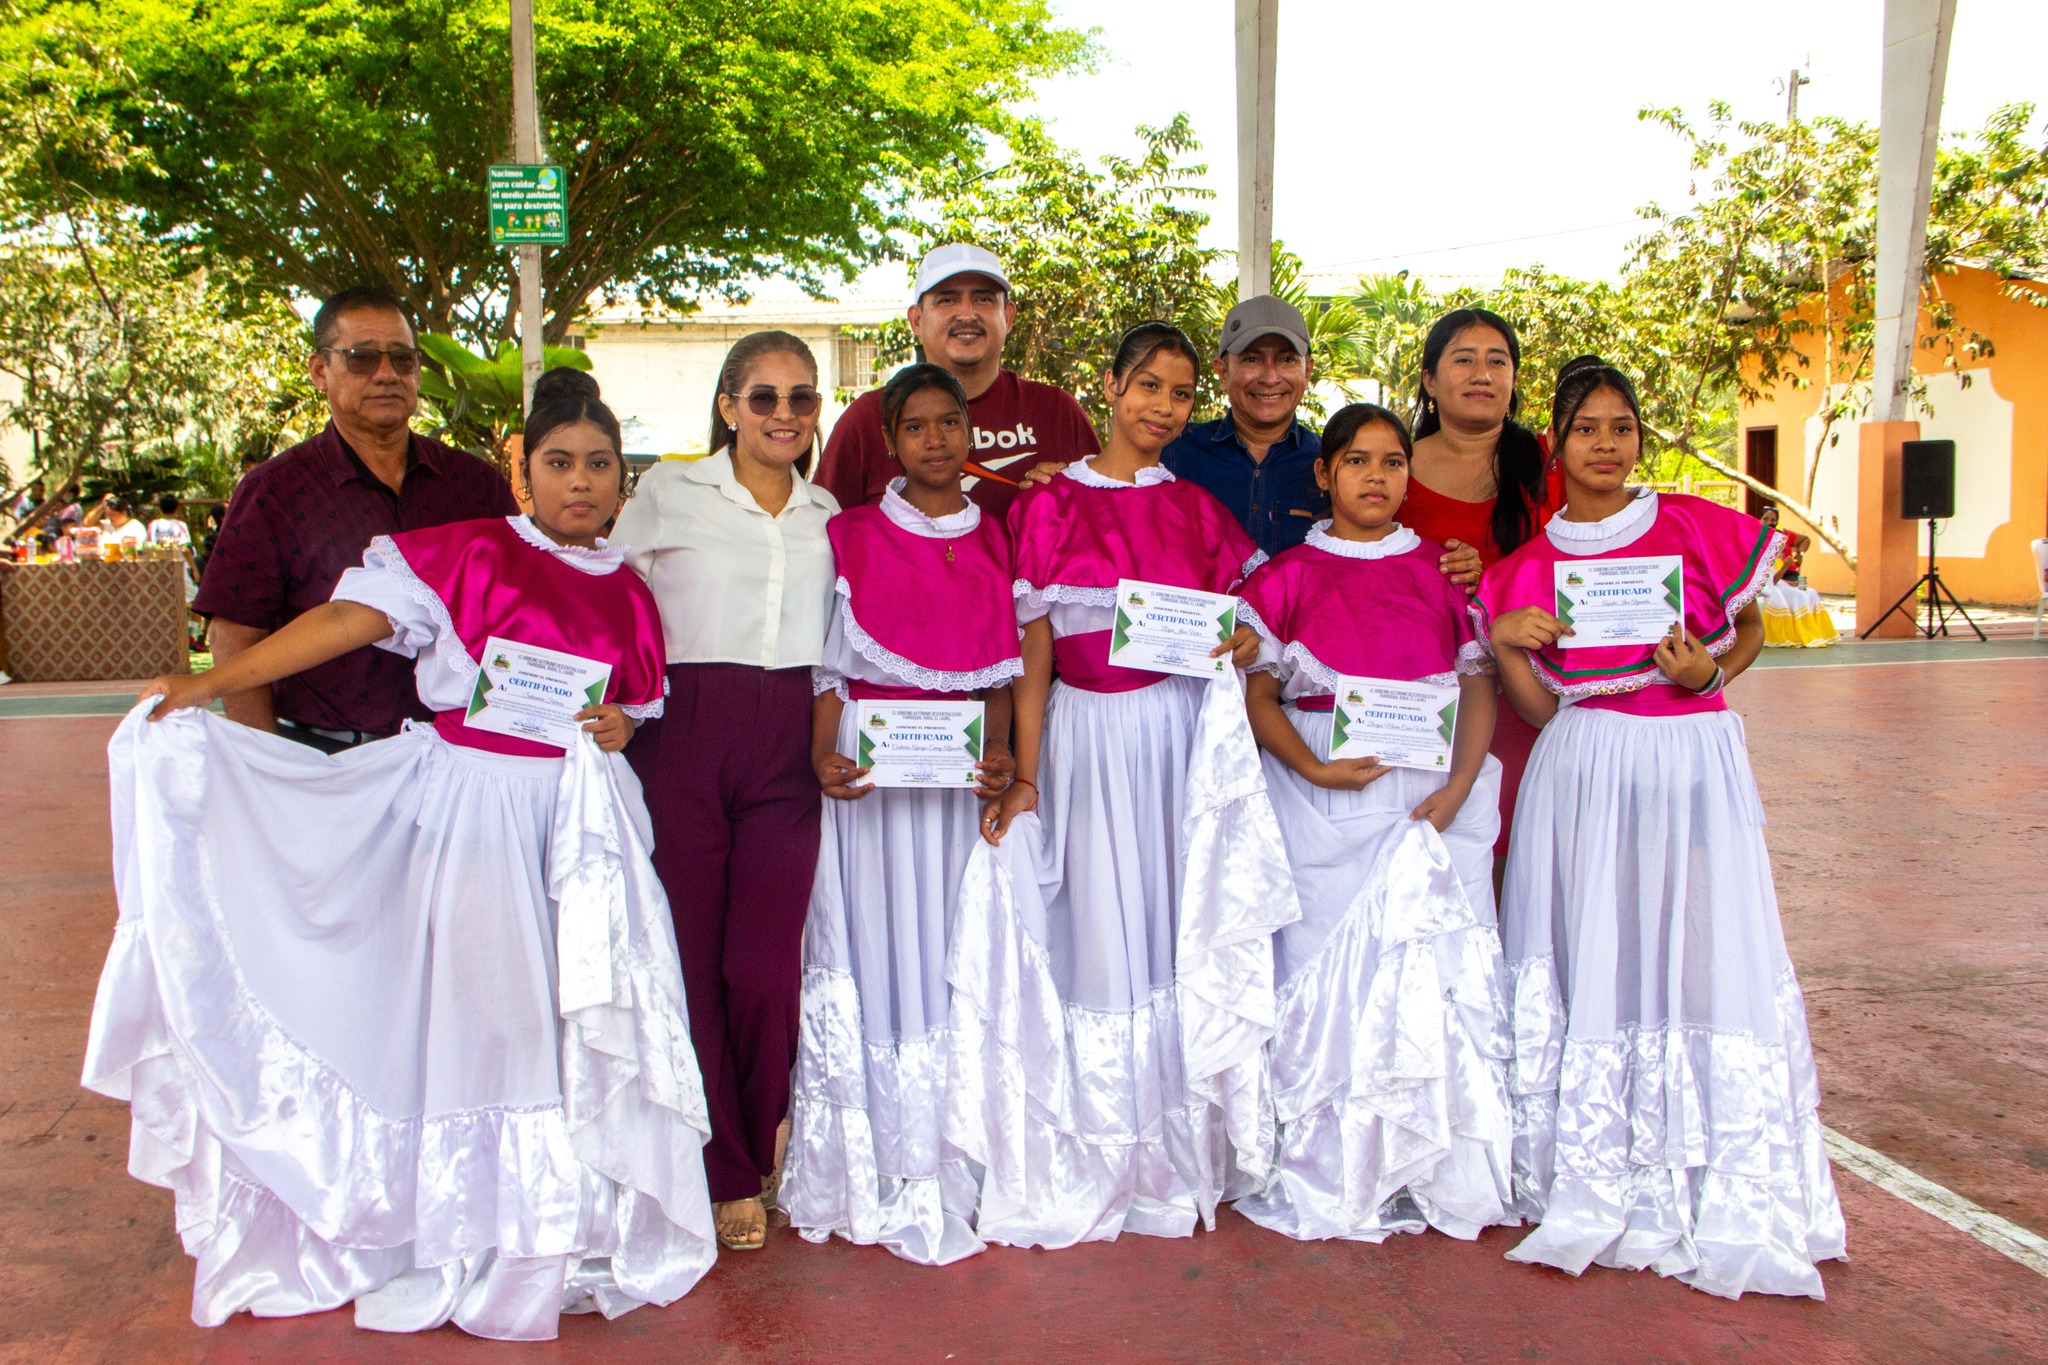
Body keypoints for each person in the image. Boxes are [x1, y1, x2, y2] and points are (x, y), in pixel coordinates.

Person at [83, 367, 716, 1339]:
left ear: (620, 480)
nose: (581, 482)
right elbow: (344, 623)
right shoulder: (469, 553)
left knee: (571, 1014)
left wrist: (620, 726)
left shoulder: (629, 589)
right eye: (559, 462)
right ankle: (470, 1225)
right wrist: (210, 683)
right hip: (474, 810)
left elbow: (634, 704)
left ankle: (564, 1220)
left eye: (599, 465)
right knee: (485, 1015)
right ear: (523, 469)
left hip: (582, 826)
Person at [1477, 357, 1845, 1298]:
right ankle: (1595, 1165)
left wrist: (1707, 675)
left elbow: (1746, 628)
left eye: (1622, 427)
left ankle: (1707, 1166)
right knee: (1597, 947)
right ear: (1555, 444)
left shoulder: (1691, 524)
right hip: (1585, 768)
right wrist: (1509, 645)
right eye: (1586, 428)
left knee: (1695, 943)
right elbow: (1541, 705)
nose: (1606, 444)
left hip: (1691, 758)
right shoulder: (1525, 568)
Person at [950, 321, 1288, 1248]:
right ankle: (1108, 1141)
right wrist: (1025, 770)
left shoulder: (1197, 509)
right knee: (1103, 926)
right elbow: (1034, 653)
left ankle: (1181, 1147)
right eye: (1148, 386)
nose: (1163, 408)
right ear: (1109, 386)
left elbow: (1253, 621)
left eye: (1181, 394)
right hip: (1090, 740)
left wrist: (1243, 641)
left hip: (1180, 740)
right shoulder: (1049, 506)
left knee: (1178, 922)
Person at [1230, 403, 1512, 1243]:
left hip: (1424, 796)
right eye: (1357, 460)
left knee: (1424, 969)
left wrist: (1459, 787)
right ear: (1324, 474)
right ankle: (1331, 1158)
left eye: (1393, 462)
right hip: (1321, 793)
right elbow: (1258, 695)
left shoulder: (1441, 571)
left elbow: (1478, 684)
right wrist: (1313, 767)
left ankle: (1425, 1164)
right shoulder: (1285, 576)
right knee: (1326, 966)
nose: (1377, 477)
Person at [781, 364, 1021, 1265]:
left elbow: (1001, 671)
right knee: (883, 949)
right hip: (873, 783)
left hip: (957, 787)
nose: (934, 439)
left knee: (952, 949)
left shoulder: (996, 537)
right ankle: (883, 1153)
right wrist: (822, 752)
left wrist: (1003, 754)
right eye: (914, 426)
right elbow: (828, 669)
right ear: (889, 441)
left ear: (970, 430)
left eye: (948, 422)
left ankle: (958, 1152)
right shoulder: (849, 534)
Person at [613, 330, 840, 1253]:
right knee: (693, 960)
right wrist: (618, 703)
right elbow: (609, 597)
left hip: (788, 747)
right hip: (682, 738)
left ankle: (763, 1123)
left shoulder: (831, 512)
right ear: (728, 406)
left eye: (801, 397)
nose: (784, 414)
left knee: (764, 966)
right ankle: (727, 1171)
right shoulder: (671, 491)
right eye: (764, 397)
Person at [194, 285, 518, 752]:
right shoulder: (273, 492)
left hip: (460, 759)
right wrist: (269, 761)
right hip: (325, 758)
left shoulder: (475, 486)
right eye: (361, 358)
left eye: (403, 359)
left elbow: (519, 617)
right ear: (319, 371)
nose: (387, 374)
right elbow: (234, 635)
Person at [1401, 310, 1566, 871]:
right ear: (1429, 380)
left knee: (1525, 858)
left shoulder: (1550, 465)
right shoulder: (1391, 468)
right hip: (1429, 703)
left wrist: (1493, 585)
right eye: (1464, 360)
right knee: (1442, 861)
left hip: (1534, 697)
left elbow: (1587, 566)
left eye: (1498, 361)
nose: (1482, 374)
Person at [816, 243, 1099, 517]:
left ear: (1008, 316)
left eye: (983, 299)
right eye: (947, 299)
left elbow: (1104, 518)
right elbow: (818, 530)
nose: (967, 314)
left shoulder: (1056, 410)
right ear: (916, 320)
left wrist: (1068, 494)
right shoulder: (869, 417)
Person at [1158, 295, 1325, 557]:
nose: (1270, 378)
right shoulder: (1173, 454)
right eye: (1251, 359)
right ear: (1223, 372)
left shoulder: (1332, 464)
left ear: (1307, 371)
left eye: (1286, 359)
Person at [1758, 504, 1838, 648]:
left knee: (1811, 593)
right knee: (1798, 596)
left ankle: (1815, 632)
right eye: (1766, 519)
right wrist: (1785, 567)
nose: (1769, 522)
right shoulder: (1756, 539)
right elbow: (1770, 579)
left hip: (1789, 578)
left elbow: (1805, 540)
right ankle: (1796, 634)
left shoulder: (1782, 534)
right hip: (1773, 581)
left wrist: (1799, 554)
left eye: (1773, 520)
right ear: (1759, 519)